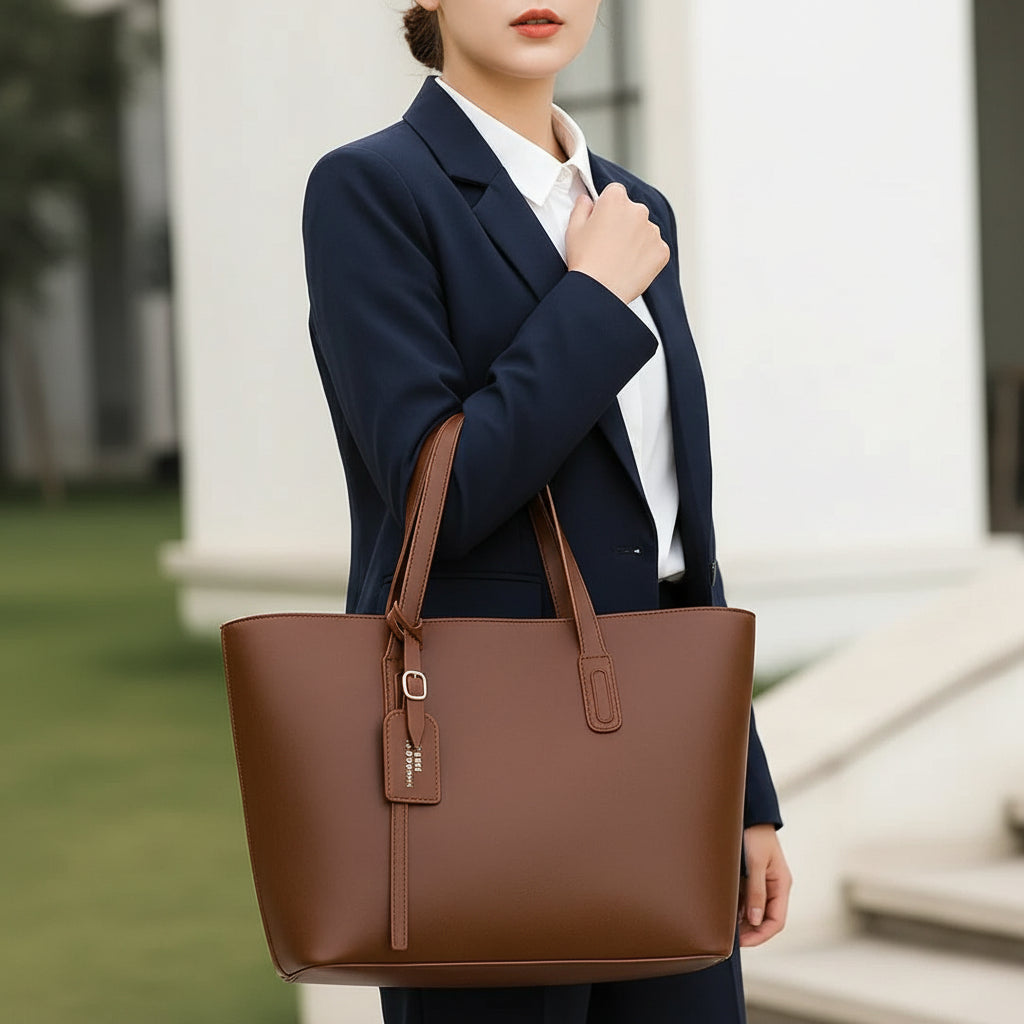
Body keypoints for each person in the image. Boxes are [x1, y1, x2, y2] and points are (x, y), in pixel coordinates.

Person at [301, 2, 793, 1020]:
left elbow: (668, 528)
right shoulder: (373, 189)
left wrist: (744, 794)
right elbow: (443, 486)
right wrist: (591, 298)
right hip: (480, 755)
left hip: (667, 756)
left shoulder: (631, 204)